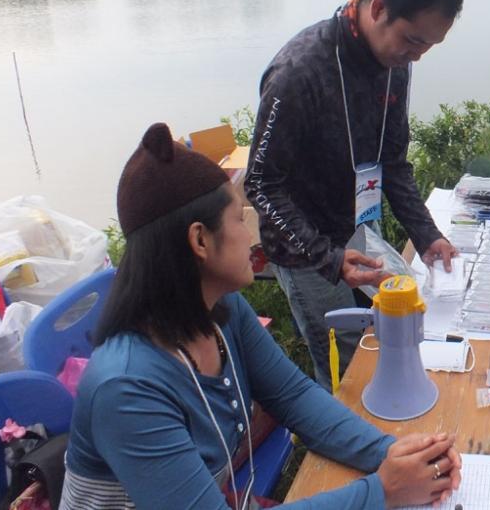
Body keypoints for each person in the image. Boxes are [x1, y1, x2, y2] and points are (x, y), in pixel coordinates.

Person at [61, 123, 462, 510]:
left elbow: (294, 397)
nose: (251, 234)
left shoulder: (222, 311)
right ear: (200, 240)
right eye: (238, 219)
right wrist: (384, 491)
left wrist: (392, 453)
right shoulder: (126, 389)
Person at [246, 0, 462, 389]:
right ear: (379, 7)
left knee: (393, 334)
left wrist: (427, 235)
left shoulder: (392, 61)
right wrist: (327, 257)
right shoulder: (298, 73)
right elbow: (262, 184)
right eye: (414, 40)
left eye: (430, 46)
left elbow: (393, 162)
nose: (417, 56)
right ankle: (347, 446)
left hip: (360, 230)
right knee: (347, 363)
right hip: (305, 246)